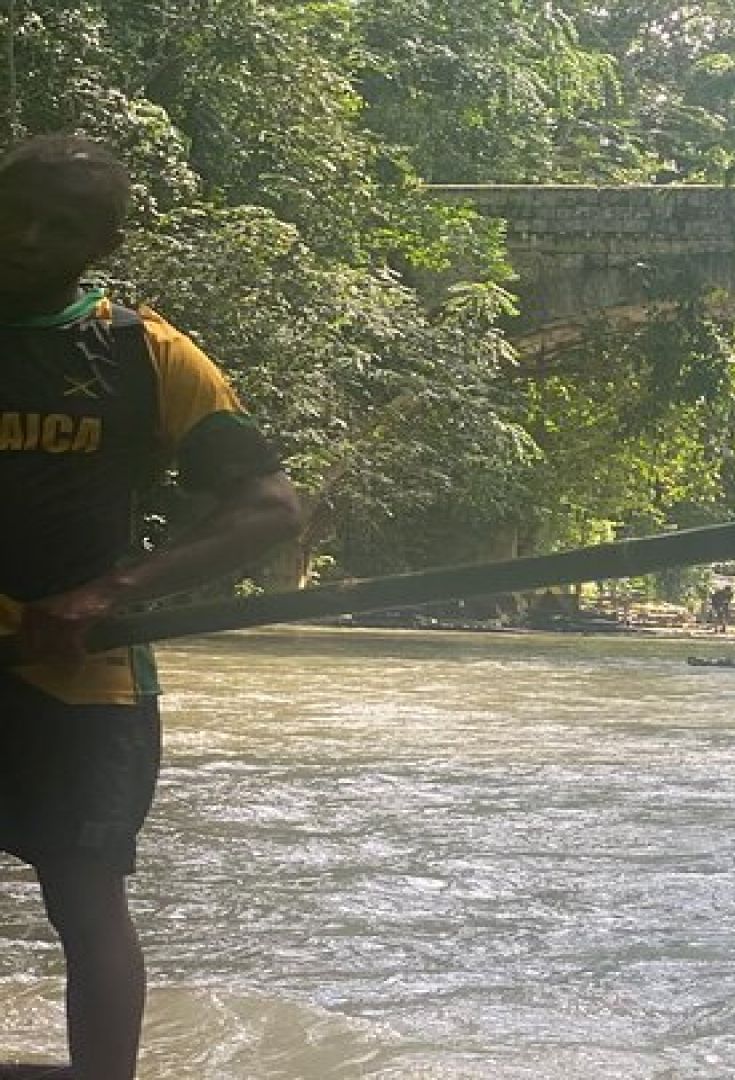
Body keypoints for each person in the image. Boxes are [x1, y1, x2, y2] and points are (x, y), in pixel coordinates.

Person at [0, 134, 302, 1079]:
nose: (28, 236)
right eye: (16, 210)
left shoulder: (148, 354)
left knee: (86, 903)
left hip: (80, 677)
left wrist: (108, 593)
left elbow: (268, 509)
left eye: (63, 225)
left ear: (103, 242)